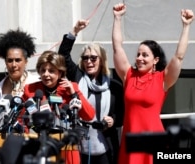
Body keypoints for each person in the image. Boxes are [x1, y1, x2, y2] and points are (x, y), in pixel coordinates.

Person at [112, 3, 194, 164]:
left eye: (145, 55)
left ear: (155, 60)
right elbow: (117, 48)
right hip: (131, 140)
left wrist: (186, 26)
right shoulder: (129, 75)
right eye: (138, 54)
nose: (139, 58)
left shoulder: (163, 79)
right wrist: (117, 18)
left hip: (154, 140)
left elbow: (178, 57)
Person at [58, 20, 124, 164]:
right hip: (80, 146)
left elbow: (121, 116)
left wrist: (113, 120)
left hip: (105, 146)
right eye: (85, 58)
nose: (89, 62)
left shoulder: (114, 86)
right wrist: (74, 31)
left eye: (93, 58)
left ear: (102, 60)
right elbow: (63, 55)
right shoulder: (77, 77)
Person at [22, 50, 96, 164]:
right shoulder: (30, 90)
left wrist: (73, 93)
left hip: (66, 149)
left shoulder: (70, 89)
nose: (46, 74)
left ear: (60, 73)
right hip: (39, 148)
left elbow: (89, 115)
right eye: (43, 70)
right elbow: (22, 119)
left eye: (51, 71)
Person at [0, 29, 40, 130]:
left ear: (26, 61)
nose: (14, 65)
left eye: (18, 60)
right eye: (10, 60)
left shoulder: (36, 82)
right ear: (5, 62)